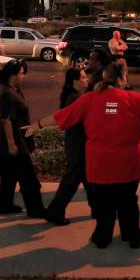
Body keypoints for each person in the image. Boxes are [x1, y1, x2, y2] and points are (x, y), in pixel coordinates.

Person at [24, 63, 140, 249]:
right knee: (128, 200)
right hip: (128, 163)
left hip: (100, 163)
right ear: (121, 79)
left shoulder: (89, 99)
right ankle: (132, 236)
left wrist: (36, 125)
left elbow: (62, 116)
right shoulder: (133, 99)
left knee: (104, 203)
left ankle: (102, 237)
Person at [0, 59, 45, 217]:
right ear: (13, 75)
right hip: (16, 141)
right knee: (29, 179)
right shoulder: (8, 94)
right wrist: (11, 144)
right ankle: (35, 209)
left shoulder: (12, 90)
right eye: (21, 74)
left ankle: (4, 205)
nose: (24, 77)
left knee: (10, 175)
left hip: (17, 139)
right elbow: (6, 119)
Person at [44, 68, 92, 226]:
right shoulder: (74, 99)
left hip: (78, 143)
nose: (87, 79)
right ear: (74, 82)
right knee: (72, 180)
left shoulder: (75, 96)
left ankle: (99, 208)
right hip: (78, 144)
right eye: (83, 77)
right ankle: (55, 210)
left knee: (87, 179)